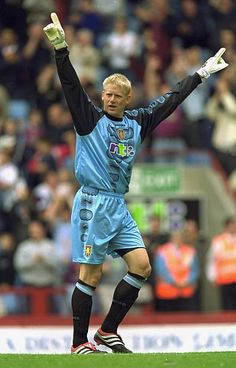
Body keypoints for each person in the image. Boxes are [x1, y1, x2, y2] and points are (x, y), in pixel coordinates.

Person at [43, 12, 228, 354]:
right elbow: (70, 86)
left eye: (117, 96)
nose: (110, 99)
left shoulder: (138, 122)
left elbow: (170, 100)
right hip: (92, 204)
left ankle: (108, 331)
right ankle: (78, 343)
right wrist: (61, 51)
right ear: (101, 96)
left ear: (128, 99)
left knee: (141, 266)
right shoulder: (89, 119)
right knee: (91, 276)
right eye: (107, 94)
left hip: (118, 204)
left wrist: (200, 74)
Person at [153, 229, 200, 312]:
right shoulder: (163, 251)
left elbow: (195, 270)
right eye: (176, 237)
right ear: (172, 238)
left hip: (186, 291)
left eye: (181, 237)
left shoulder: (190, 251)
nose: (178, 239)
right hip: (167, 292)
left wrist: (186, 282)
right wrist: (174, 282)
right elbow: (161, 270)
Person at [206, 216, 236, 311]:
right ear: (226, 226)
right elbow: (211, 259)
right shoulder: (218, 241)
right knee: (227, 305)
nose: (233, 227)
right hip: (225, 279)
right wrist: (212, 276)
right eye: (231, 225)